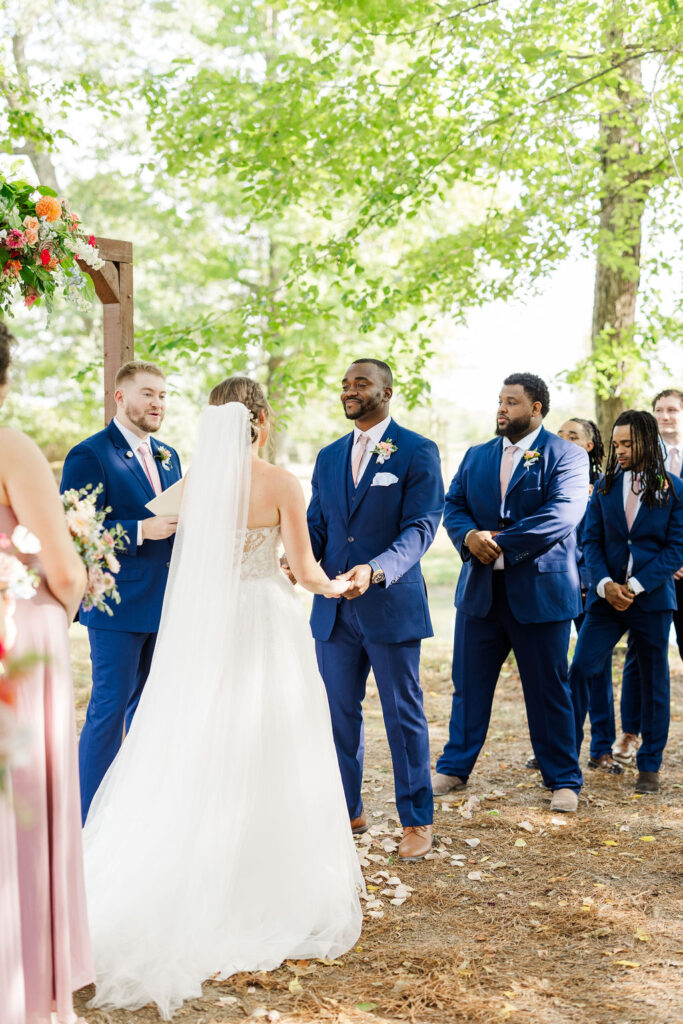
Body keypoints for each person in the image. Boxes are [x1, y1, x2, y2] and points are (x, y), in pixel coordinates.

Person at [83, 377, 362, 1018]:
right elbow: (308, 570)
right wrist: (338, 585)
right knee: (271, 746)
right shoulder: (281, 483)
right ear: (261, 421)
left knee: (203, 740)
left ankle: (193, 871)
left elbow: (192, 563)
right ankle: (262, 887)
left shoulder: (195, 486)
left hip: (206, 630)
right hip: (264, 623)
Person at [304, 359, 444, 861]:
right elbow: (318, 524)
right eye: (344, 384)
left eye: (360, 383)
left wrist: (376, 569)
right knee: (336, 715)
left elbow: (421, 528)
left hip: (390, 604)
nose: (350, 390)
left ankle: (416, 819)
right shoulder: (327, 456)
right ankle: (347, 809)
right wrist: (297, 555)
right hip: (333, 611)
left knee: (402, 714)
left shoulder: (417, 451)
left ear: (387, 390)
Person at [433, 373, 589, 814]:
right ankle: (454, 766)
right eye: (500, 401)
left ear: (537, 408)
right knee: (469, 685)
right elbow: (454, 504)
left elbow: (562, 515)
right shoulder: (476, 455)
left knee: (549, 690)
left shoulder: (568, 456)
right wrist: (468, 538)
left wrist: (498, 543)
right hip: (480, 594)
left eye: (512, 402)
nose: (502, 409)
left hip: (541, 595)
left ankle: (562, 778)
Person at [0, 321, 93, 1024]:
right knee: (20, 804)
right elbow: (62, 567)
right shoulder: (11, 444)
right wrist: (66, 604)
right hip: (16, 638)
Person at [61, 360, 182, 821]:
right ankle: (85, 817)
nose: (157, 403)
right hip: (116, 606)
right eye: (148, 394)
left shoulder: (169, 454)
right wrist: (139, 530)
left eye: (163, 396)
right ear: (120, 397)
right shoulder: (90, 454)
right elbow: (76, 532)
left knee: (152, 713)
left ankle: (135, 813)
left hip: (168, 604)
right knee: (109, 711)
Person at [568, 410, 683, 794]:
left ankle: (649, 766)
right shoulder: (603, 486)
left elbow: (676, 549)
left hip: (651, 600)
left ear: (648, 443)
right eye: (615, 444)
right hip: (605, 600)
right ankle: (566, 761)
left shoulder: (675, 488)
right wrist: (603, 584)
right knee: (581, 668)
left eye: (627, 444)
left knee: (654, 681)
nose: (618, 450)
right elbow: (591, 541)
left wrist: (634, 584)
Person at [524, 417, 620, 774]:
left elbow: (602, 543)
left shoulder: (605, 489)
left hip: (593, 589)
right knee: (556, 670)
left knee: (594, 668)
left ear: (590, 445)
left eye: (573, 436)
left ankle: (602, 748)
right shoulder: (546, 482)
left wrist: (592, 580)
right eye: (560, 434)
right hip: (556, 586)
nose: (563, 440)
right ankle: (560, 748)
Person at [614, 388, 683, 764]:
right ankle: (629, 733)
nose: (665, 416)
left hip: (681, 572)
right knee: (638, 660)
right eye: (659, 410)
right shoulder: (637, 461)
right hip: (648, 580)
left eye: (672, 409)